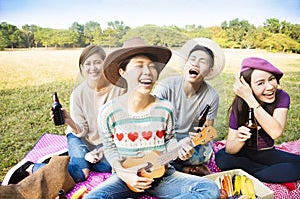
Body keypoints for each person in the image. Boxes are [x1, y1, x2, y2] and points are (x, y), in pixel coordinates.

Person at [84, 37, 220, 199]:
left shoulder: (165, 108)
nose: (148, 72)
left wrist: (180, 149)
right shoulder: (108, 112)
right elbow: (110, 149)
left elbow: (169, 141)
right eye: (139, 66)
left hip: (163, 175)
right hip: (125, 177)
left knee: (209, 189)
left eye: (152, 66)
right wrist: (125, 174)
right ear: (123, 72)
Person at [3, 45, 126, 185]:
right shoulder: (78, 94)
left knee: (112, 166)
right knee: (80, 173)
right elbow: (82, 131)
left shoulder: (119, 89)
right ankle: (30, 167)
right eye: (88, 63)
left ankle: (75, 159)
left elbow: (120, 126)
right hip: (79, 135)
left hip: (104, 142)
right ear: (82, 67)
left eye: (98, 62)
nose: (93, 68)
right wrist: (68, 120)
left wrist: (101, 151)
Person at [215, 57, 300, 190]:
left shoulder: (282, 97)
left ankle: (256, 174)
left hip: (267, 153)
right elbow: (230, 148)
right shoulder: (239, 104)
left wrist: (250, 100)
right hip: (243, 154)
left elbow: (276, 132)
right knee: (222, 157)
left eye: (271, 79)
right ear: (247, 87)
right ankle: (268, 174)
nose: (270, 86)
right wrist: (239, 139)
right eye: (260, 83)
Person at [153, 38, 225, 176]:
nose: (196, 64)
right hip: (165, 140)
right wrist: (174, 147)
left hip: (191, 143)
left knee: (203, 154)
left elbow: (207, 132)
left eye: (202, 61)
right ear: (185, 64)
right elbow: (153, 127)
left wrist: (200, 136)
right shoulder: (165, 87)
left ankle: (173, 167)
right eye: (192, 59)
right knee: (155, 155)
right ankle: (185, 169)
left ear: (209, 71)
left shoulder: (211, 95)